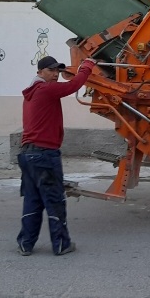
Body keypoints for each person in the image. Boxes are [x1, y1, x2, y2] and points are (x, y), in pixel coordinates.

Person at [17, 55, 97, 256]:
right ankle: (61, 244)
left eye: (57, 72)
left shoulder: (33, 93)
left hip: (28, 155)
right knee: (54, 200)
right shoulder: (45, 89)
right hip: (44, 155)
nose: (55, 75)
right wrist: (87, 66)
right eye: (51, 71)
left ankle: (25, 244)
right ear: (40, 73)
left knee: (33, 200)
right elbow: (73, 86)